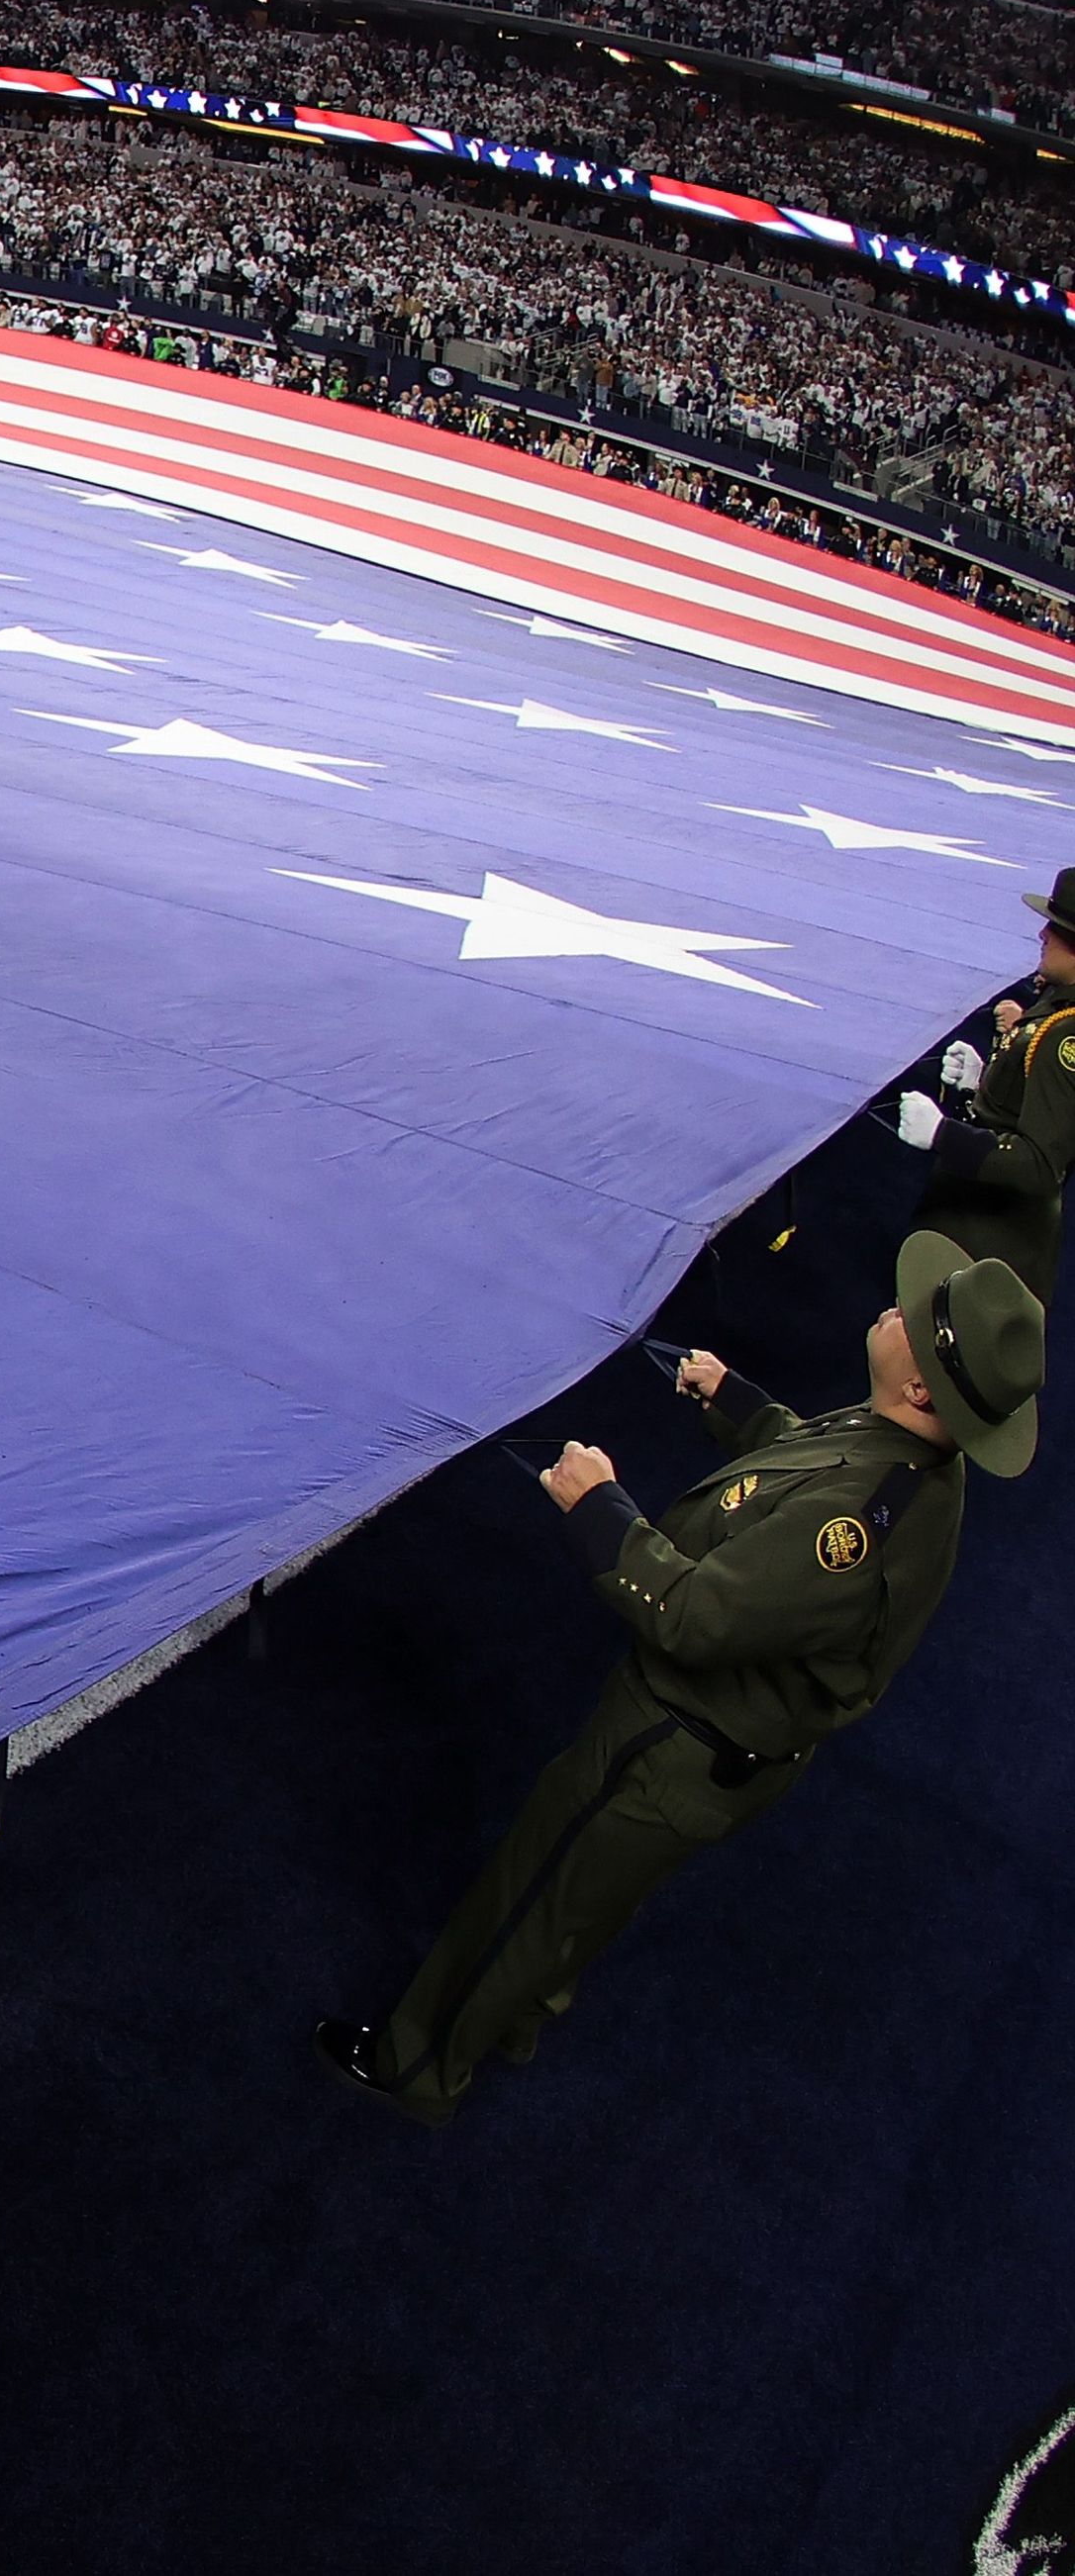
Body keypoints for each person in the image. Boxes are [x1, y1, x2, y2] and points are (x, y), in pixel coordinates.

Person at [320, 1239, 1044, 2125]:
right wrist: (736, 1401)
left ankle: (418, 2059)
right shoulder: (911, 1455)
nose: (894, 1309)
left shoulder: (859, 1522)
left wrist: (600, 1508)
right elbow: (806, 1453)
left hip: (676, 1739)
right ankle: (517, 2014)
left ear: (924, 1389)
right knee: (583, 1896)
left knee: (540, 1880)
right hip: (718, 1746)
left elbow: (694, 1616)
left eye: (914, 1320)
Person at [890, 868, 1075, 1300]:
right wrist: (982, 1087)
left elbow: (1039, 1165)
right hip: (973, 1241)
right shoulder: (1056, 1008)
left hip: (988, 1254)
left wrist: (944, 1134)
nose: (1043, 934)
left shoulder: (1066, 1035)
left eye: (1059, 928)